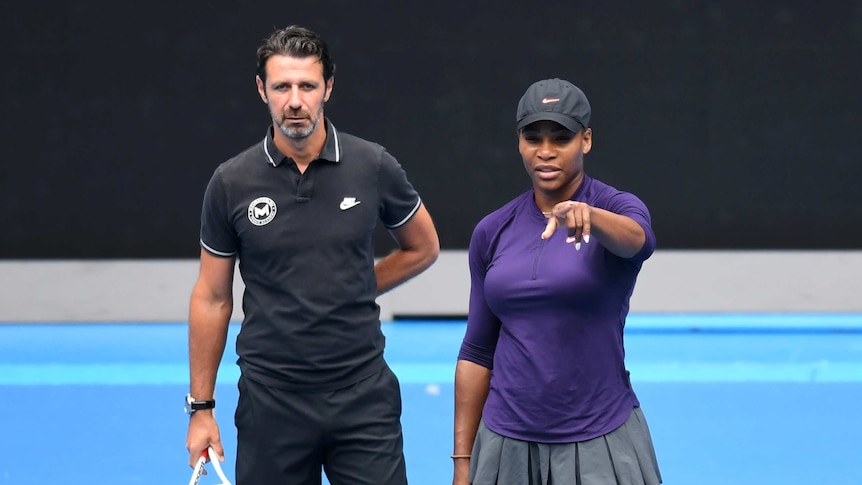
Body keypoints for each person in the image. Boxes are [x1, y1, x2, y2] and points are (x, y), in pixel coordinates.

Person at [185, 25, 440, 485]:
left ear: (329, 89)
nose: (295, 100)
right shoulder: (230, 183)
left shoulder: (374, 165)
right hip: (271, 403)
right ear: (262, 90)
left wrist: (359, 284)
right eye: (282, 86)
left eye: (307, 85)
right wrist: (201, 408)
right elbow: (211, 298)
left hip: (363, 398)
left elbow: (423, 247)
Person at [452, 78, 661, 485]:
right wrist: (463, 461)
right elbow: (477, 349)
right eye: (533, 138)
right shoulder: (492, 231)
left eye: (560, 138)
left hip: (601, 438)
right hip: (503, 444)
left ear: (586, 140)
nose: (545, 151)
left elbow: (639, 240)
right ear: (519, 142)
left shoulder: (616, 207)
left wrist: (591, 217)